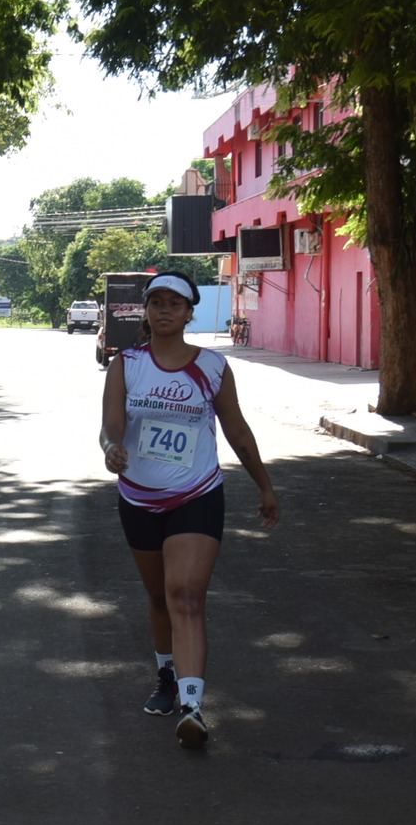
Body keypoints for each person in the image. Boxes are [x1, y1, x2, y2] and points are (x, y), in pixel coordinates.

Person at [100, 271, 281, 750]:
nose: (164, 311)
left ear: (189, 312)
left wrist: (265, 486)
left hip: (196, 495)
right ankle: (166, 675)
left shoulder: (213, 367)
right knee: (160, 596)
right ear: (146, 310)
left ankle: (193, 705)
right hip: (138, 498)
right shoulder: (127, 363)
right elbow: (111, 424)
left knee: (185, 595)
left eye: (174, 304)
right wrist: (111, 448)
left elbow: (238, 432)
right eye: (155, 303)